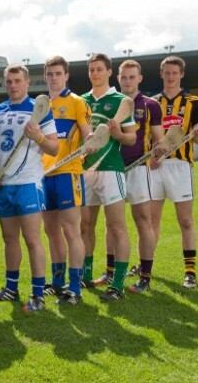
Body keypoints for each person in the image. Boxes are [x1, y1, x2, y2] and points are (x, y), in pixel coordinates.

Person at [0, 64, 58, 312]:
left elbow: (54, 148)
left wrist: (37, 136)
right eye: (9, 81)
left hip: (28, 182)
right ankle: (10, 289)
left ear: (27, 83)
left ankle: (38, 295)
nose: (13, 85)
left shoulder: (39, 109)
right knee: (9, 238)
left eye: (17, 81)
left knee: (33, 239)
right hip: (4, 184)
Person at [80, 53, 136, 302]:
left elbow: (131, 138)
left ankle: (118, 285)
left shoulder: (120, 101)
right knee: (85, 226)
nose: (95, 73)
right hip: (85, 171)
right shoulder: (81, 101)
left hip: (111, 170)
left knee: (116, 227)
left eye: (99, 69)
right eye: (91, 69)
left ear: (109, 72)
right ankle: (86, 275)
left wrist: (117, 133)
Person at [150, 56, 198, 289]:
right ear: (161, 74)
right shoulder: (152, 102)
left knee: (185, 220)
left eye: (175, 73)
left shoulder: (193, 102)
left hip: (181, 167)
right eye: (167, 72)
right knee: (151, 220)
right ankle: (146, 266)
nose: (171, 76)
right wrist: (153, 155)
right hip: (155, 166)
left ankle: (190, 271)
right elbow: (148, 138)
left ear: (181, 74)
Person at [41, 56, 93, 305]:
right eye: (50, 74)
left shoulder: (76, 102)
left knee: (71, 230)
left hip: (68, 173)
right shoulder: (39, 105)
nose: (53, 78)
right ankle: (58, 281)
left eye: (58, 73)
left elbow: (88, 133)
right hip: (43, 176)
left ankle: (75, 287)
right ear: (45, 76)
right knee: (51, 231)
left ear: (66, 75)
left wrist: (91, 143)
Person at [117, 60, 163, 293]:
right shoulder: (112, 103)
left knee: (143, 221)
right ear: (118, 78)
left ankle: (145, 276)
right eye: (124, 77)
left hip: (137, 168)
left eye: (131, 77)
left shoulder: (150, 105)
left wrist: (159, 153)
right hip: (112, 169)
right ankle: (111, 272)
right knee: (113, 224)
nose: (127, 81)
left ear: (140, 79)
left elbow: (159, 138)